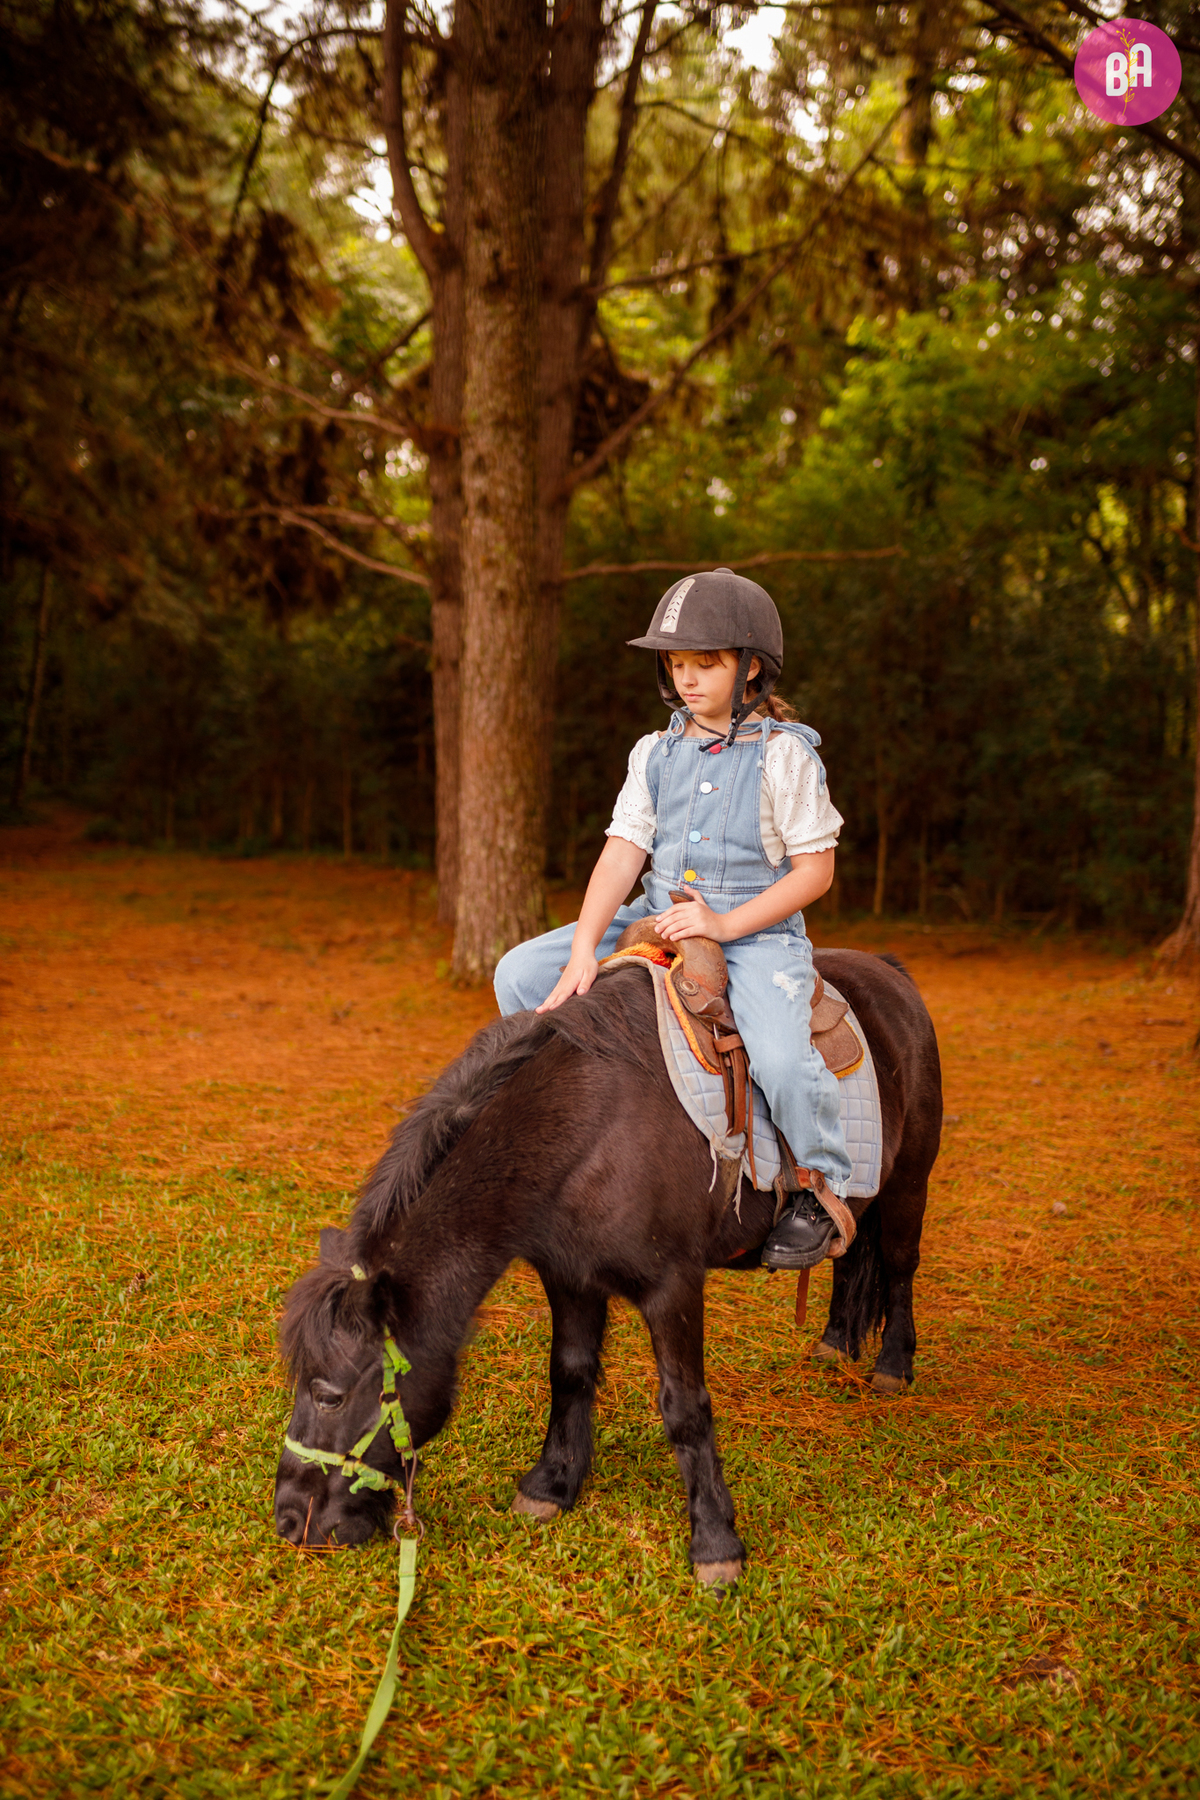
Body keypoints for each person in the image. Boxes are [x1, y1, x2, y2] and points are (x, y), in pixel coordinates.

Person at [493, 567, 852, 1268]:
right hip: (656, 914)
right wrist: (585, 948)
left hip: (754, 930)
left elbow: (816, 872)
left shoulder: (785, 756)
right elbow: (624, 851)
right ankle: (553, 1122)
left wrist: (721, 926)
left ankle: (820, 1183)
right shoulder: (655, 752)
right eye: (677, 664)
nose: (687, 679)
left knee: (781, 1056)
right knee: (517, 975)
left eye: (705, 664)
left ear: (751, 670)